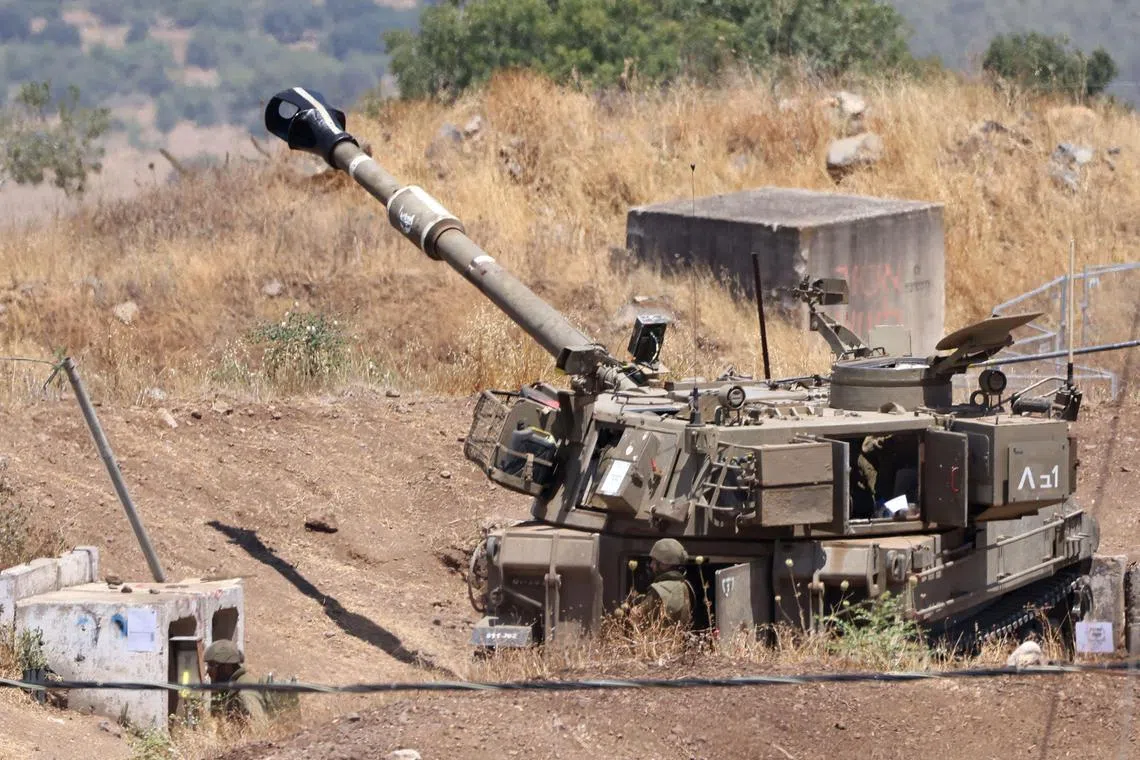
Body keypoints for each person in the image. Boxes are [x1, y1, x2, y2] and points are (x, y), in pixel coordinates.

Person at [625, 538, 694, 628]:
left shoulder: (658, 589)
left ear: (666, 564)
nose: (651, 565)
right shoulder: (686, 586)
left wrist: (633, 611)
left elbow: (638, 619)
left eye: (654, 561)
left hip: (657, 640)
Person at [203, 639, 268, 726]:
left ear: (227, 667)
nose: (208, 671)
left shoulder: (245, 693)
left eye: (212, 665)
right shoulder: (233, 688)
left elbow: (260, 729)